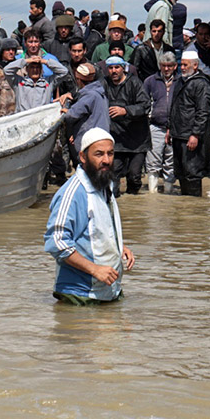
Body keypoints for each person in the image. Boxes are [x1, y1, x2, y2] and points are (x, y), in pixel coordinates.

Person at [44, 127, 134, 305]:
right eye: (99, 154)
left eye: (110, 153)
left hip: (107, 291)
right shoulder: (73, 193)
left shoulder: (103, 182)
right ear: (83, 157)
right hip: (80, 295)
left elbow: (97, 227)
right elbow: (57, 242)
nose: (106, 160)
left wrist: (119, 245)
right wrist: (95, 269)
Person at [101, 55, 150, 195]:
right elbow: (91, 96)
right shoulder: (103, 83)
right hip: (116, 138)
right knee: (113, 174)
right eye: (110, 68)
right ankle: (114, 204)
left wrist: (125, 110)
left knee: (134, 176)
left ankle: (133, 204)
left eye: (117, 67)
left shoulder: (135, 83)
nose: (114, 71)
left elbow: (145, 106)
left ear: (123, 68)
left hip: (138, 139)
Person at [167, 51, 210, 196]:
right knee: (180, 172)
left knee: (192, 173)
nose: (183, 67)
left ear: (195, 65)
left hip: (191, 136)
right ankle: (184, 210)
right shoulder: (180, 81)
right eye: (181, 64)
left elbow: (203, 112)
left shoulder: (202, 84)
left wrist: (195, 134)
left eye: (185, 65)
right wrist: (170, 129)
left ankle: (194, 207)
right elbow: (174, 106)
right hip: (178, 133)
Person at [142, 52, 178, 193]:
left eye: (169, 66)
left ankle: (168, 192)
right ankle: (153, 194)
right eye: (164, 66)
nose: (166, 69)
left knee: (171, 162)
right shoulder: (150, 81)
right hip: (155, 126)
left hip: (175, 127)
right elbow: (145, 102)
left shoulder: (180, 81)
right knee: (153, 161)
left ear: (175, 66)